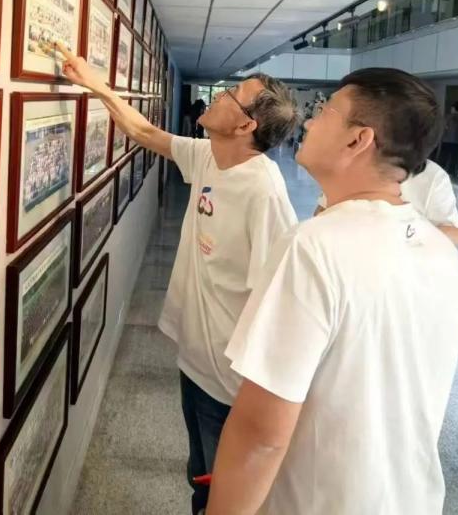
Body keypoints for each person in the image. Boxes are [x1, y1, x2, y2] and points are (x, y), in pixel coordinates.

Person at [206, 68, 458, 515]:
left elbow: (260, 435)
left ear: (358, 139)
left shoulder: (314, 247)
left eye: (326, 113)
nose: (310, 122)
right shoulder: (444, 256)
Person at [54, 43, 298, 515]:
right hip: (196, 359)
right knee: (199, 477)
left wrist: (259, 402)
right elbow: (144, 132)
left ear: (246, 125)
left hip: (229, 384)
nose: (221, 95)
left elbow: (281, 303)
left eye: (233, 94)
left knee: (219, 493)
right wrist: (94, 84)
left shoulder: (264, 193)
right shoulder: (210, 155)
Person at [316, 159, 458, 245]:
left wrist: (405, 238)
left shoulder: (432, 175)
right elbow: (321, 215)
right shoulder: (350, 165)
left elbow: (454, 233)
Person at [438, 101, 458, 176]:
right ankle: (451, 172)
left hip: (447, 139)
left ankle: (440, 171)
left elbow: (444, 127)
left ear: (453, 108)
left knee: (444, 157)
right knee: (454, 158)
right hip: (457, 141)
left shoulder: (448, 116)